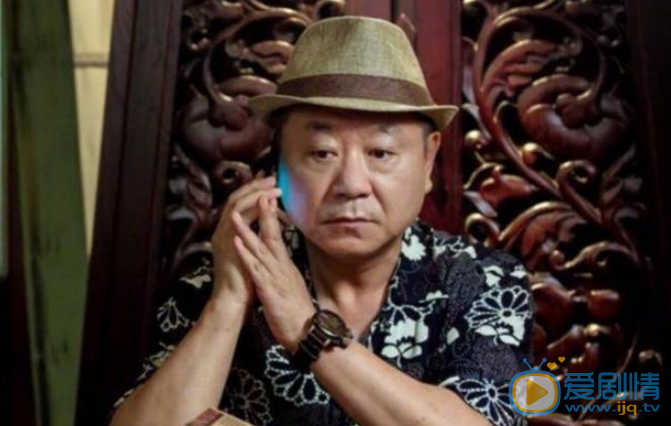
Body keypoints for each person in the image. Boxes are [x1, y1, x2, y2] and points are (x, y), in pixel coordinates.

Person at [108, 16, 533, 426]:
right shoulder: (215, 282)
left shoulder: (483, 281)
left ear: (427, 161)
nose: (351, 185)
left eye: (380, 153)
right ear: (278, 165)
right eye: (321, 153)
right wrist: (229, 301)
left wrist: (306, 330)